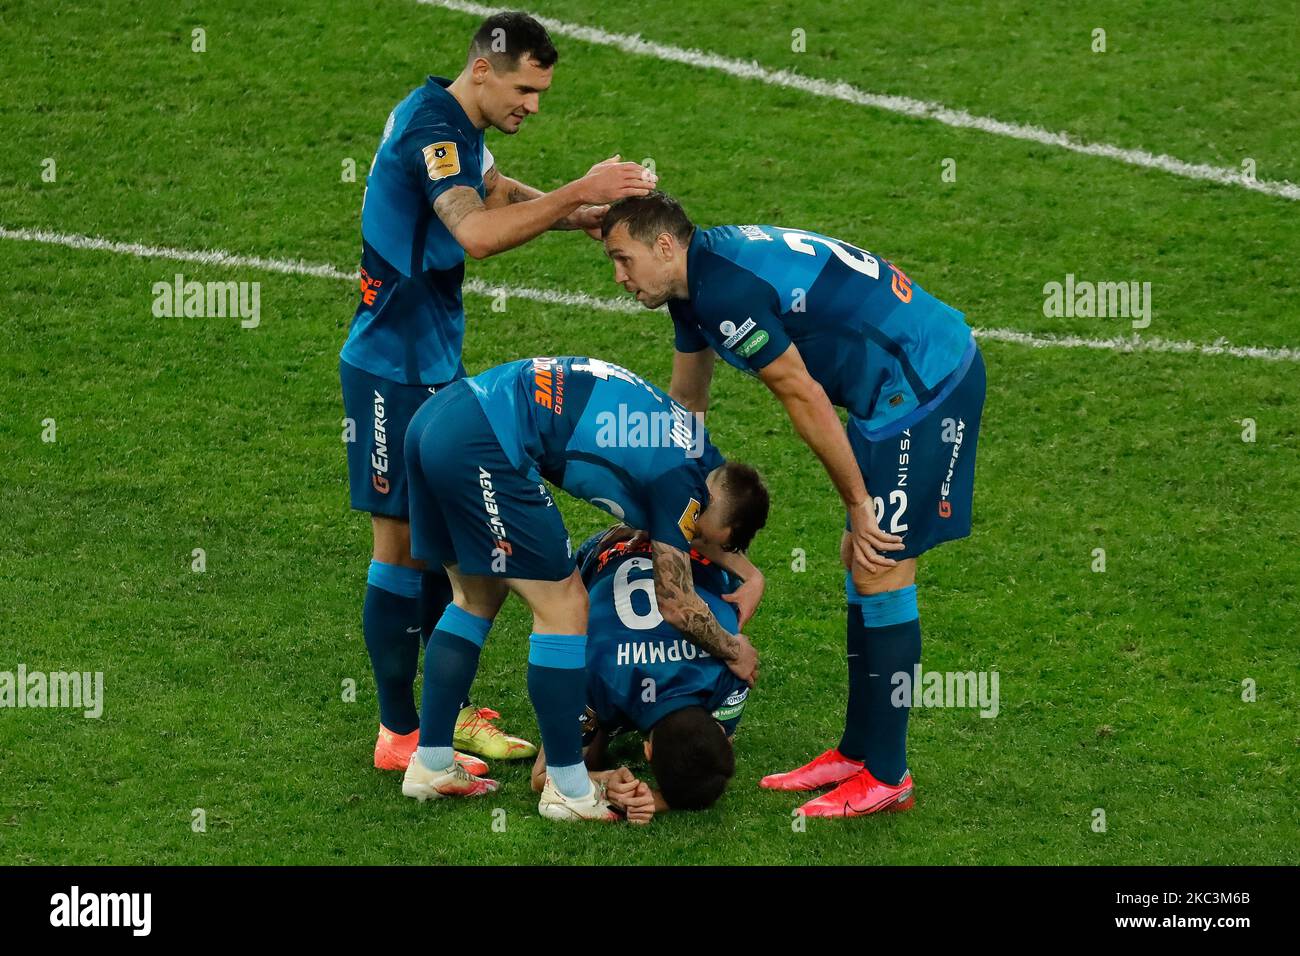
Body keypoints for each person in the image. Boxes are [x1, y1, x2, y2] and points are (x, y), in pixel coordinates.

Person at [338, 11, 656, 773]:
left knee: (447, 550)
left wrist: (570, 212)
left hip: (430, 358)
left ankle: (436, 719)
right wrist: (580, 186)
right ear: (483, 68)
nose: (533, 106)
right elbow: (475, 231)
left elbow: (491, 187)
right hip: (389, 365)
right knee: (403, 547)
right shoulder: (431, 129)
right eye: (525, 88)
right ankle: (399, 733)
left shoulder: (453, 119)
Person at [599, 193, 986, 817]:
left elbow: (802, 395)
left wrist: (860, 500)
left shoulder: (723, 292)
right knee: (860, 559)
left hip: (924, 383)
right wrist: (672, 499)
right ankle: (858, 751)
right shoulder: (692, 287)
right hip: (888, 387)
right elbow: (687, 404)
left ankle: (888, 776)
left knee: (879, 558)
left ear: (664, 246)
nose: (618, 277)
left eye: (623, 259)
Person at [399, 356, 768, 821]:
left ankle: (432, 761)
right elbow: (675, 604)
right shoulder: (685, 491)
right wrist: (733, 649)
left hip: (440, 418)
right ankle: (569, 789)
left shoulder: (693, 451)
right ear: (718, 513)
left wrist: (752, 575)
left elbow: (694, 523)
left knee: (476, 596)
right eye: (701, 535)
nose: (693, 540)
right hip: (486, 442)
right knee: (565, 606)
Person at [529, 525, 755, 823]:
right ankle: (608, 724)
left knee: (592, 738)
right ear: (646, 752)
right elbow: (542, 777)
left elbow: (543, 775)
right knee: (593, 746)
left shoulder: (730, 670)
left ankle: (610, 723)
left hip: (681, 546)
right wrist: (605, 780)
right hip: (604, 551)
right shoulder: (731, 677)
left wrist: (600, 780)